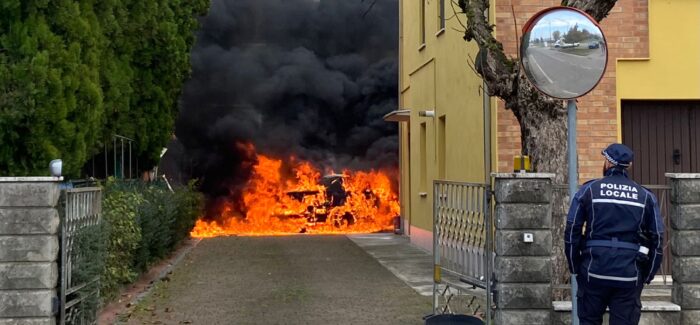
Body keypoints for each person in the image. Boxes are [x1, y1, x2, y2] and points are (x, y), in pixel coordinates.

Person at [565, 143, 664, 325]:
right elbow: (657, 238)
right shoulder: (645, 196)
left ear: (608, 163)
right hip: (629, 275)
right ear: (629, 166)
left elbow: (572, 230)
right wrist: (647, 275)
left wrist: (575, 266)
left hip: (593, 271)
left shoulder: (589, 190)